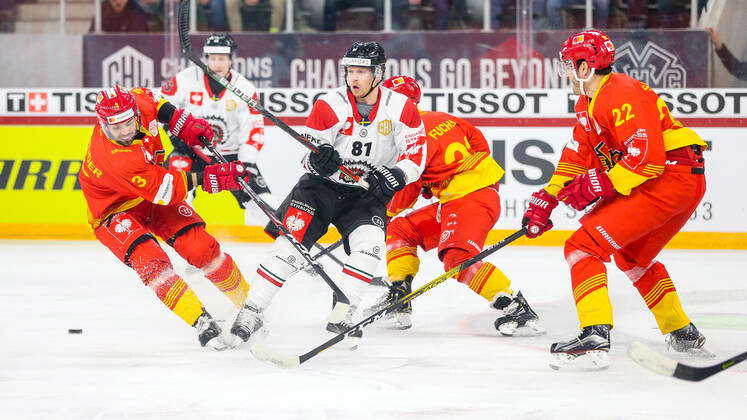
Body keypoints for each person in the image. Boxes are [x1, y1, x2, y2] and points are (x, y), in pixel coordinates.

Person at [522, 29, 708, 370]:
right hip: (676, 177)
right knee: (633, 258)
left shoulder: (620, 92)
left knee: (582, 246)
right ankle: (682, 331)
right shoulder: (588, 103)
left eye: (568, 65)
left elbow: (646, 159)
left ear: (585, 67)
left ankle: (595, 331)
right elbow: (578, 156)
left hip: (668, 176)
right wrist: (546, 198)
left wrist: (599, 184)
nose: (564, 72)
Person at [229, 41, 427, 348]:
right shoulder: (329, 104)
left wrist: (396, 174)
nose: (354, 78)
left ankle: (343, 312)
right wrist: (319, 159)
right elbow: (308, 156)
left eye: (362, 71)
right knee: (289, 249)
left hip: (365, 195)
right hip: (319, 190)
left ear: (378, 73)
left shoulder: (402, 108)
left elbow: (415, 156)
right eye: (350, 71)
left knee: (371, 247)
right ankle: (251, 311)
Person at [366, 75, 544, 335]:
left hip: (470, 200)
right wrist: (441, 178)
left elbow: (408, 189)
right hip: (469, 196)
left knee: (458, 259)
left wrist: (382, 213)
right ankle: (399, 297)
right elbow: (479, 143)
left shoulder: (409, 135)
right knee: (403, 231)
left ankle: (518, 309)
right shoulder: (443, 118)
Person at [78, 85, 252, 350]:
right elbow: (167, 190)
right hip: (114, 211)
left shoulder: (136, 101)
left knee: (201, 248)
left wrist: (181, 122)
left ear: (134, 112)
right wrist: (208, 177)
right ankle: (200, 320)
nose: (124, 132)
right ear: (103, 124)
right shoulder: (114, 158)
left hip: (151, 194)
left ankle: (249, 304)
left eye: (128, 123)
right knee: (153, 263)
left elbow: (157, 102)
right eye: (115, 128)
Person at [161, 33, 271, 226]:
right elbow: (160, 105)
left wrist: (247, 162)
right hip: (189, 151)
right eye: (212, 58)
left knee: (263, 202)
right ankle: (179, 236)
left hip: (231, 156)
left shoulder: (244, 88)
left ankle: (285, 243)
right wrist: (173, 133)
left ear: (231, 59)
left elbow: (253, 129)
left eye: (222, 59)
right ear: (205, 58)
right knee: (173, 192)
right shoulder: (185, 80)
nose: (217, 63)